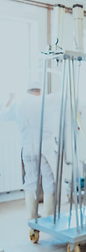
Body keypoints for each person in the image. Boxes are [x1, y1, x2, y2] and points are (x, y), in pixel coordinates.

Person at [0, 82, 59, 222]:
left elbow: (3, 114)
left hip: (26, 148)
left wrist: (10, 98)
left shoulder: (18, 104)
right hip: (43, 148)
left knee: (30, 180)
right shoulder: (43, 101)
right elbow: (61, 99)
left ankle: (32, 216)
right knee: (48, 180)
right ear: (39, 90)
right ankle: (50, 216)